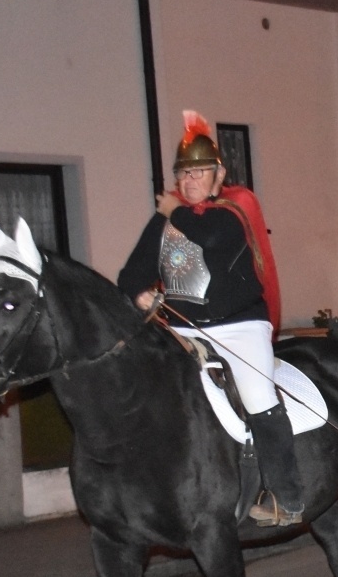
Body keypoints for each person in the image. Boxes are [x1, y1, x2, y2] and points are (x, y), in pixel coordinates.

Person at [118, 110, 301, 527]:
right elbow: (130, 274)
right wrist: (139, 292)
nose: (189, 180)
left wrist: (173, 211)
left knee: (258, 395)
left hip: (238, 327)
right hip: (180, 329)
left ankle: (286, 497)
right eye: (183, 173)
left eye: (199, 172)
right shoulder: (165, 222)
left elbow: (212, 239)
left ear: (218, 177)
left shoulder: (234, 211)